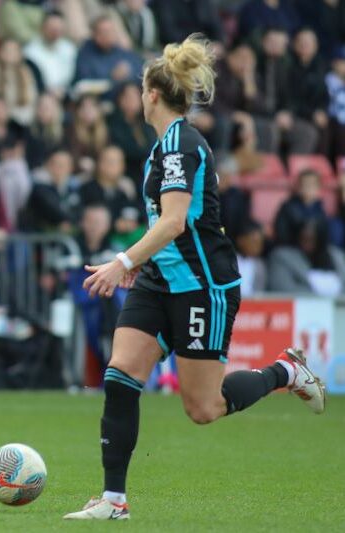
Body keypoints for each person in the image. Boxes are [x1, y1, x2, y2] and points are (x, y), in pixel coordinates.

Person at [64, 34, 326, 522]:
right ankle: (113, 500)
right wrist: (144, 261)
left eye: (142, 92)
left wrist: (123, 261)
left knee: (203, 408)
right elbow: (166, 223)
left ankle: (286, 372)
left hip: (203, 287)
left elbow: (175, 221)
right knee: (121, 376)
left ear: (153, 95)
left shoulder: (180, 145)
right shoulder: (166, 144)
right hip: (161, 280)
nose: (140, 99)